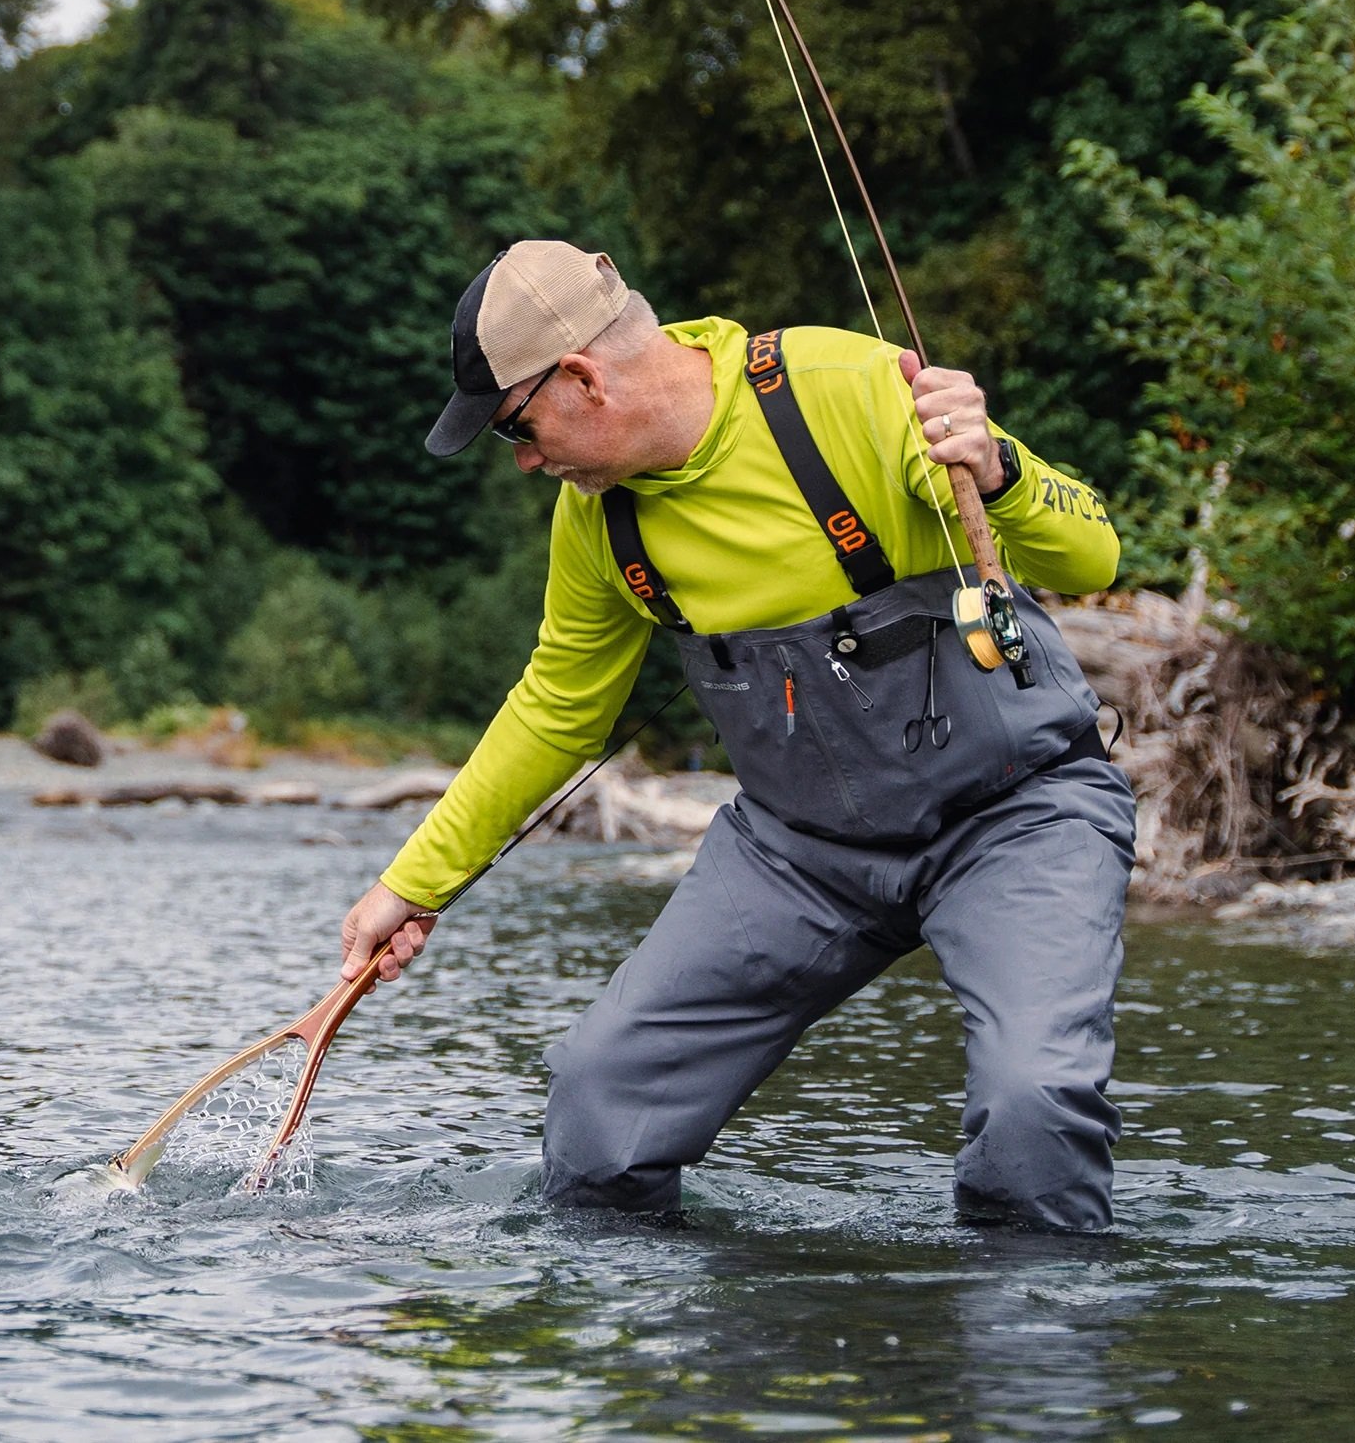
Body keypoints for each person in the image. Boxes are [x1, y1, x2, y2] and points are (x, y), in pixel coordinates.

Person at [339, 240, 1136, 1231]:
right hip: (802, 856)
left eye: (519, 429)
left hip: (1018, 818)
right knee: (598, 1111)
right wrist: (412, 885)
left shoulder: (841, 387)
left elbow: (1096, 550)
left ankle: (1034, 1362)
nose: (529, 460)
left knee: (1033, 1115)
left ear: (582, 377)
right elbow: (557, 708)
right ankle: (673, 1361)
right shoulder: (598, 522)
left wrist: (1004, 469)